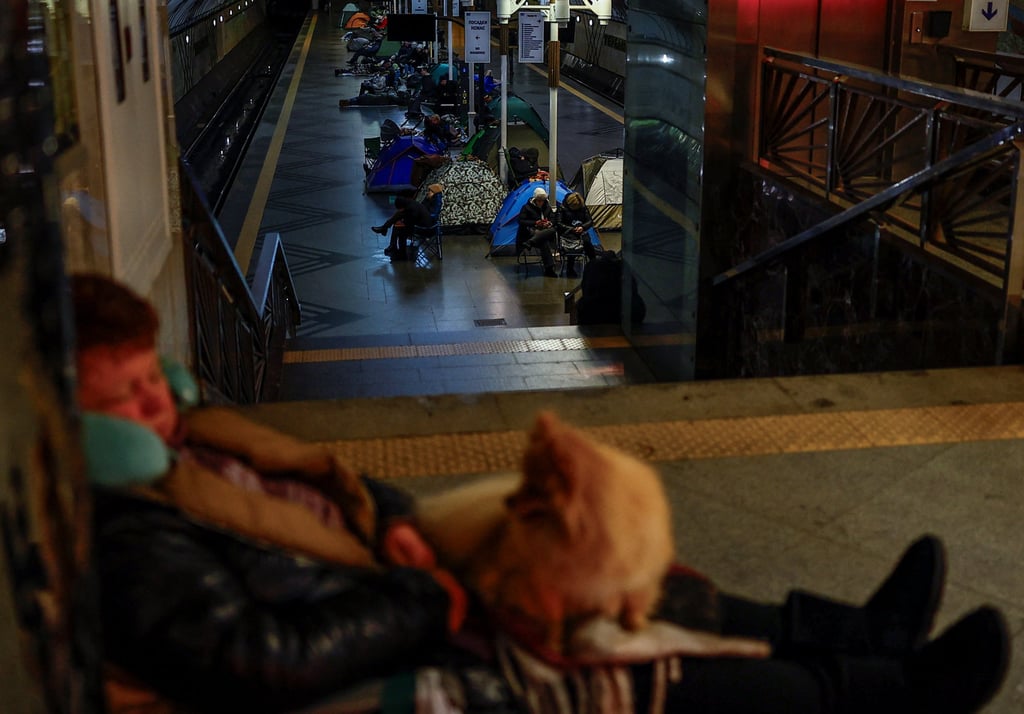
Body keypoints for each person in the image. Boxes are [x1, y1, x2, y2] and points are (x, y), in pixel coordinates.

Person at [75, 275, 1011, 714]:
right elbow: (259, 658)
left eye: (157, 377)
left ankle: (860, 636)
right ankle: (882, 695)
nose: (163, 401)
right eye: (129, 397)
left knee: (657, 586)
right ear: (78, 425)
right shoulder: (136, 540)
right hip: (402, 632)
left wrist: (404, 527)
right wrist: (427, 591)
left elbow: (338, 503)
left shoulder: (196, 453)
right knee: (652, 669)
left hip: (398, 587)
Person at [372, 183, 443, 261]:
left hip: (425, 227)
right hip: (420, 220)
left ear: (434, 193)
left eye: (430, 191)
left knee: (399, 228)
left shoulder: (435, 202)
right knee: (399, 220)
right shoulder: (426, 200)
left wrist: (405, 222)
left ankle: (396, 248)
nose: (428, 192)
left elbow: (427, 216)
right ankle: (388, 234)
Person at [517, 186, 560, 277]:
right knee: (543, 241)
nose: (541, 203)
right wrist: (535, 223)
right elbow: (521, 221)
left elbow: (553, 219)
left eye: (542, 200)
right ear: (535, 199)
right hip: (531, 232)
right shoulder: (526, 208)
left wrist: (549, 223)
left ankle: (530, 242)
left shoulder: (547, 207)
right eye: (539, 200)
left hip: (544, 232)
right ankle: (549, 269)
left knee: (552, 230)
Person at [555, 191, 595, 278]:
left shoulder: (583, 207)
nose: (576, 209)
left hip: (581, 232)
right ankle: (570, 269)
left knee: (588, 244)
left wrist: (583, 227)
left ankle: (594, 265)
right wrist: (572, 229)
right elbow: (558, 223)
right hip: (567, 233)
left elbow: (590, 221)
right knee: (571, 246)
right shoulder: (562, 208)